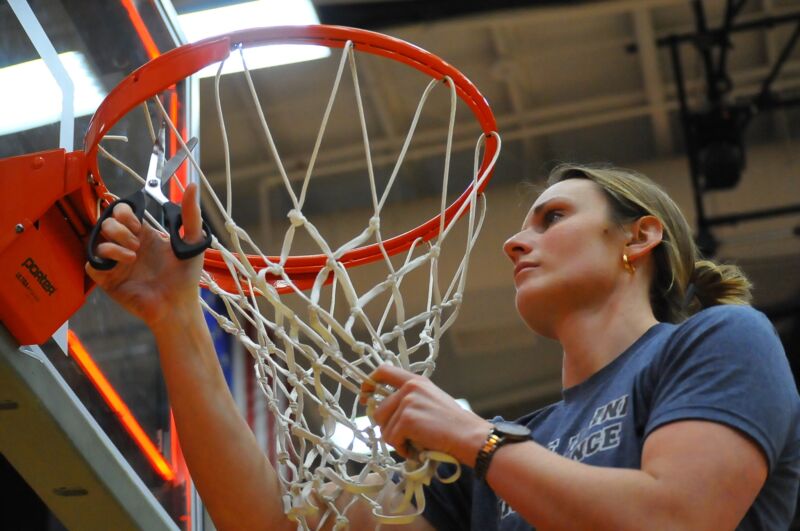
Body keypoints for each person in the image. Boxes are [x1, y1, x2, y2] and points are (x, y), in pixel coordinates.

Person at [87, 163, 800, 530]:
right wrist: (176, 316)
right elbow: (273, 524)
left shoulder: (721, 340)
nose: (516, 240)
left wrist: (473, 436)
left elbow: (674, 518)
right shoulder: (519, 453)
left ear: (639, 237)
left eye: (552, 217)